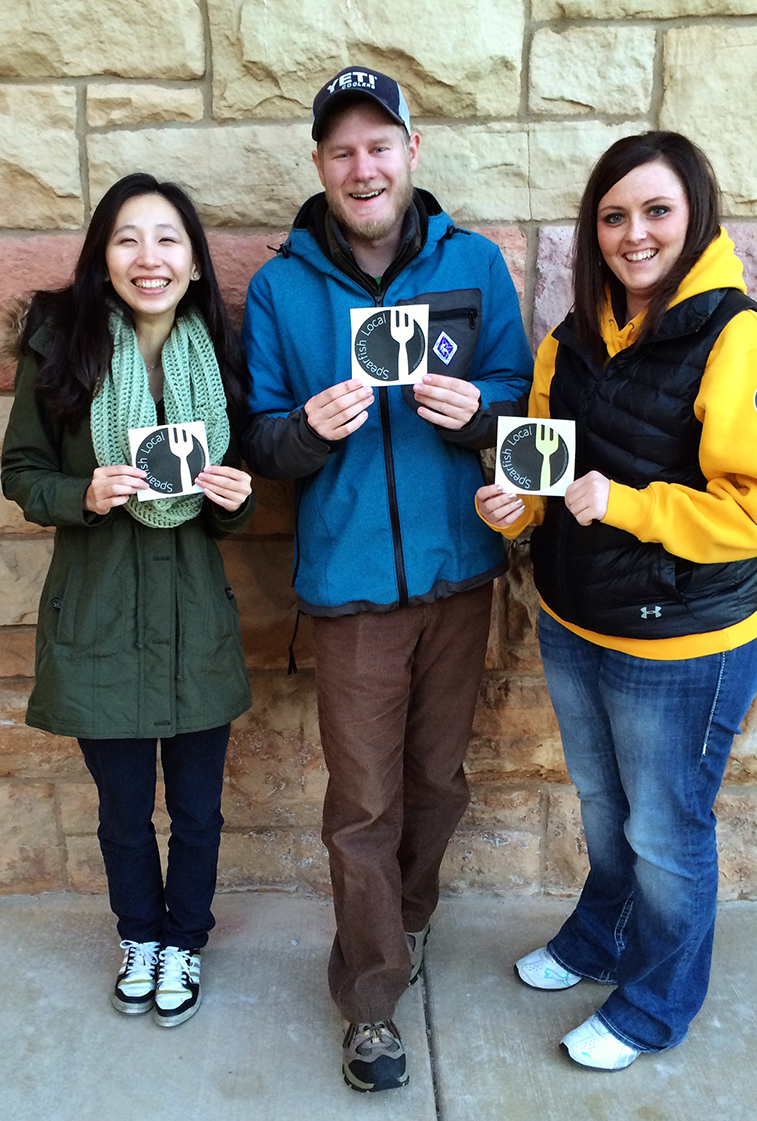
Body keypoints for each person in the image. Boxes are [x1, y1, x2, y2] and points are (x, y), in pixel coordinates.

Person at [478, 131, 757, 1070]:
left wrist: (630, 506)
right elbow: (541, 467)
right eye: (614, 216)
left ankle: (658, 1001)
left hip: (687, 643)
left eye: (656, 211)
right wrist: (512, 509)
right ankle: (599, 936)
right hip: (576, 623)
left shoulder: (741, 340)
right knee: (605, 807)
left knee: (666, 830)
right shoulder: (570, 337)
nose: (634, 233)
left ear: (694, 214)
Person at [241, 67, 532, 1091]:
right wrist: (304, 435)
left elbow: (517, 397)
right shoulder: (282, 286)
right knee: (360, 803)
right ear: (319, 165)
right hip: (353, 589)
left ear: (411, 151)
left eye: (378, 144)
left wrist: (481, 414)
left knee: (436, 787)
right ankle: (370, 998)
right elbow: (261, 439)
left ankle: (399, 924)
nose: (361, 166)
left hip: (459, 579)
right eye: (339, 149)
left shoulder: (475, 264)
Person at [2, 173, 254, 1028]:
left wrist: (233, 497)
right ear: (102, 257)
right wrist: (85, 494)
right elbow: (20, 471)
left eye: (168, 239)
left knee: (197, 810)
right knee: (119, 813)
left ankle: (186, 941)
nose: (149, 257)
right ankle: (138, 937)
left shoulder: (217, 353)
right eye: (128, 238)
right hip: (100, 616)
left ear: (192, 262)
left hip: (194, 617)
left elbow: (239, 499)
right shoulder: (61, 345)